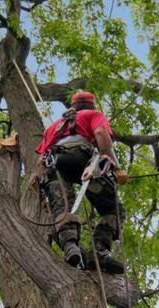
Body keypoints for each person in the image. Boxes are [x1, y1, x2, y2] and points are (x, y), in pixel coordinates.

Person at [35, 90, 127, 273]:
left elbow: (39, 162)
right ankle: (99, 251)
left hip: (53, 167)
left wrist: (42, 189)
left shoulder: (54, 126)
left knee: (62, 207)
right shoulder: (93, 115)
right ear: (91, 105)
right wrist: (116, 168)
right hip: (81, 161)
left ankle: (70, 247)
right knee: (114, 209)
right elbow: (101, 133)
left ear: (72, 106)